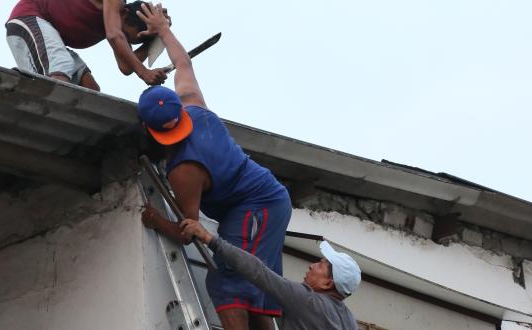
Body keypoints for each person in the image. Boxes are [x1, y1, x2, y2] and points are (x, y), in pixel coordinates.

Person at [135, 4, 291, 329]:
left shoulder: (184, 170)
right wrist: (162, 29)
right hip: (263, 203)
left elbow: (188, 231)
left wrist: (154, 220)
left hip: (256, 207)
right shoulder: (193, 105)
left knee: (228, 283)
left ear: (151, 131)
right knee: (255, 285)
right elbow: (182, 62)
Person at [180, 219, 362, 330]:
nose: (312, 266)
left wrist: (209, 239)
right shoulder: (349, 321)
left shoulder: (307, 301)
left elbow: (258, 272)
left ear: (327, 284)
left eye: (320, 266)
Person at [5, 0, 168, 91]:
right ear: (124, 13)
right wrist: (144, 72)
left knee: (90, 88)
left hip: (51, 36)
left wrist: (160, 33)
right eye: (124, 36)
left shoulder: (113, 24)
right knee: (61, 66)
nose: (122, 40)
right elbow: (114, 36)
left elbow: (126, 66)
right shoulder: (115, 7)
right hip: (29, 17)